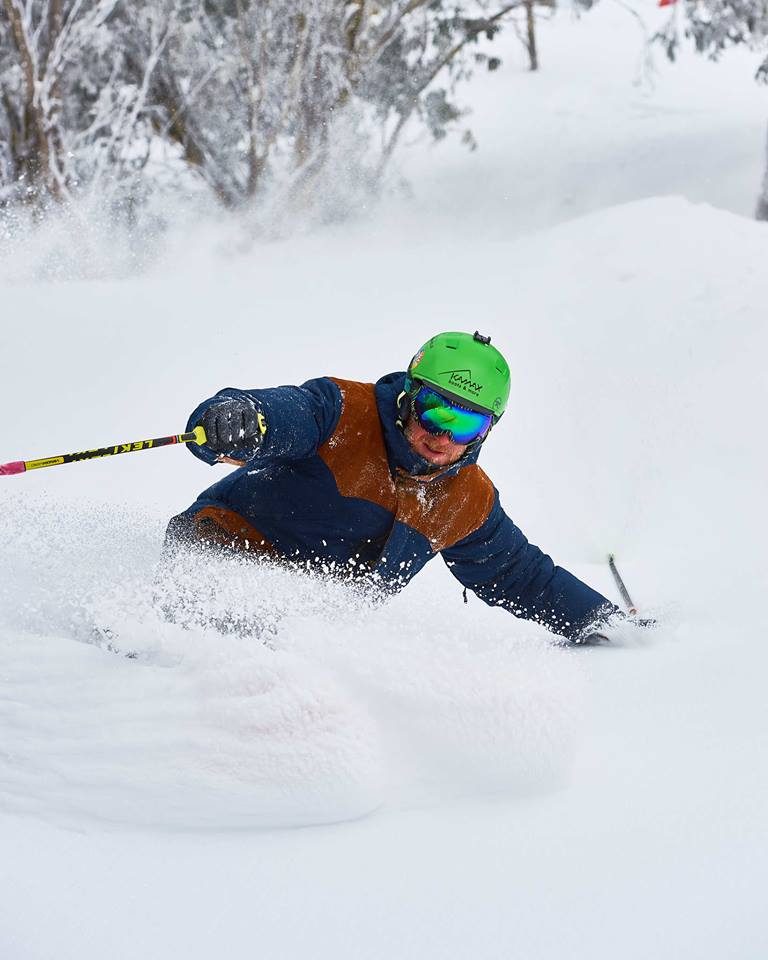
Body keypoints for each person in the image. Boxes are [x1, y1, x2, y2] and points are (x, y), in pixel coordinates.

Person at [167, 331, 632, 644]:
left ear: (488, 430)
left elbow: (523, 577)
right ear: (410, 395)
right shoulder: (343, 411)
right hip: (218, 561)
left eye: (466, 425)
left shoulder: (465, 500)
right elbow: (287, 412)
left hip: (306, 635)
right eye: (435, 411)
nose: (444, 436)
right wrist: (242, 418)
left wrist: (607, 624)